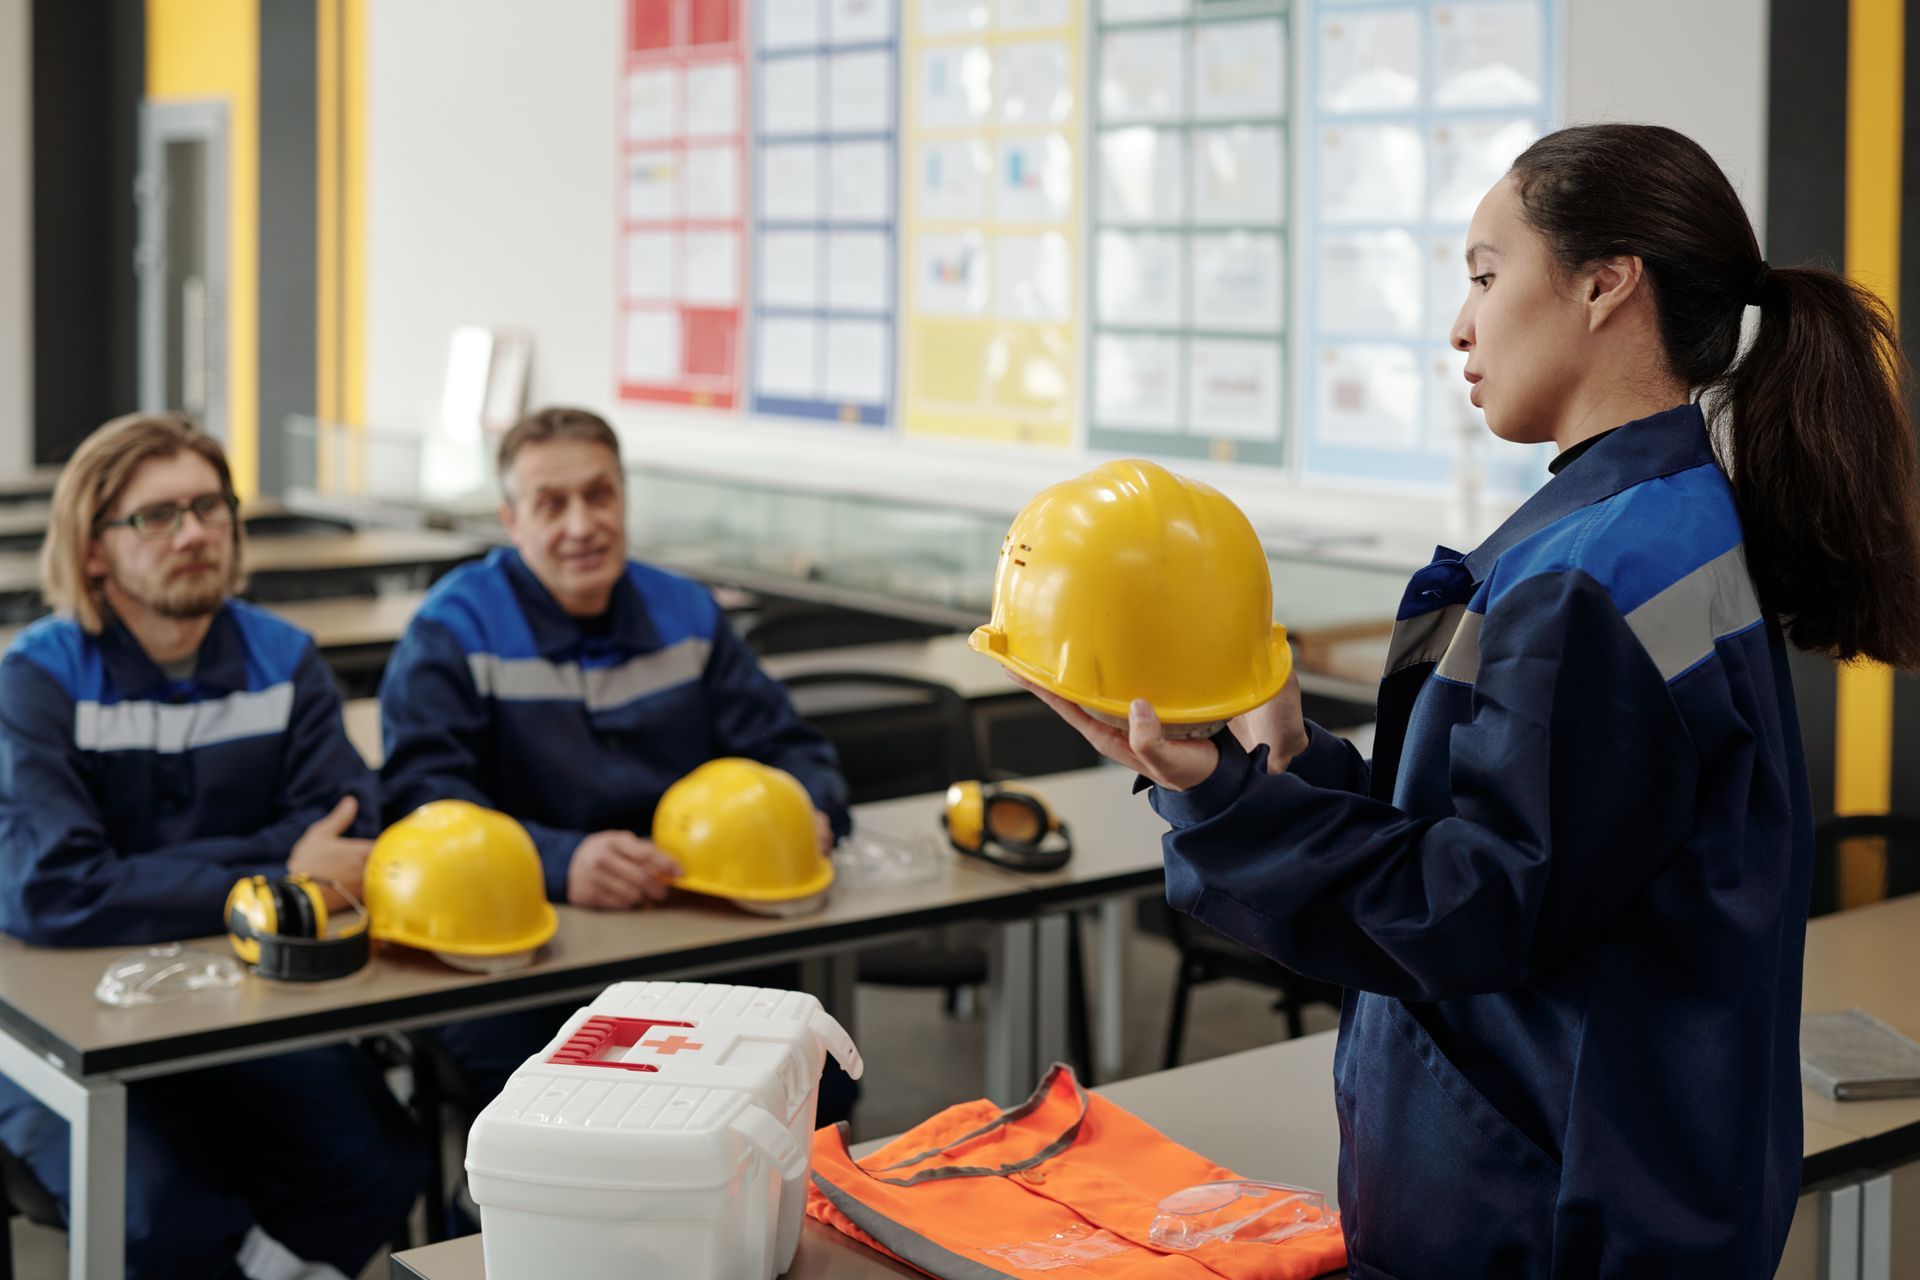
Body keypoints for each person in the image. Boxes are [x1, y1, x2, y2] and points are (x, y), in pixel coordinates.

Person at [1023, 124, 1920, 1277]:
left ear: (1604, 284)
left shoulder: (1592, 577)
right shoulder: (1659, 524)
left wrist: (1223, 801)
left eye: (1487, 275)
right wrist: (1288, 762)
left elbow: (1477, 908)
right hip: (1604, 1175)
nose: (1460, 323)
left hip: (1548, 1212)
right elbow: (1513, 849)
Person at [0, 413, 426, 1279]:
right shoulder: (37, 677)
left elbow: (348, 833)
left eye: (209, 507)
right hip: (62, 1020)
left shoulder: (283, 659)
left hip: (243, 997)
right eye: (157, 516)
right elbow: (58, 890)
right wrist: (278, 868)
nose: (194, 532)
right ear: (92, 550)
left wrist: (152, 879)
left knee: (378, 1161)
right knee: (156, 1214)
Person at [378, 406, 852, 1103]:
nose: (581, 525)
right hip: (523, 951)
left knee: (810, 1090)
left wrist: (810, 805)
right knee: (576, 1119)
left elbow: (788, 746)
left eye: (599, 495)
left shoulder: (686, 612)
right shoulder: (452, 630)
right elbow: (423, 801)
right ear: (511, 521)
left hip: (693, 932)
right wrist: (564, 862)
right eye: (551, 504)